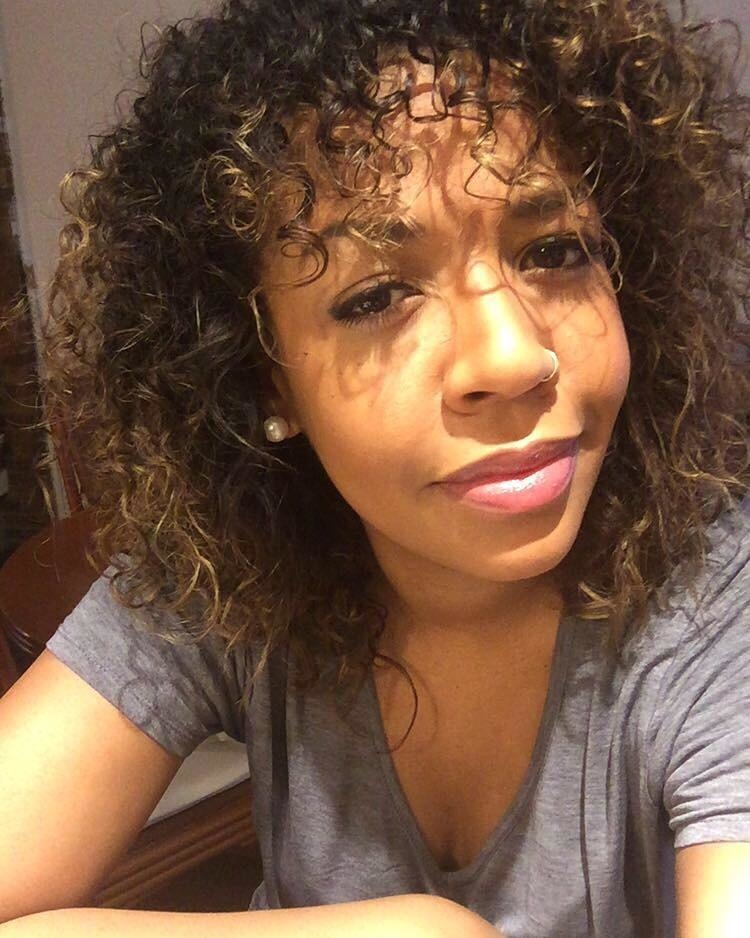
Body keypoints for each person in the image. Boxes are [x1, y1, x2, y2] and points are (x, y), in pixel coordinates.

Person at [0, 0, 748, 935]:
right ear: (262, 379)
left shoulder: (718, 608)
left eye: (556, 251)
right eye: (378, 296)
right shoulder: (227, 572)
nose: (514, 355)